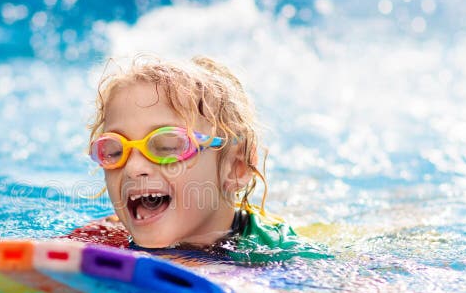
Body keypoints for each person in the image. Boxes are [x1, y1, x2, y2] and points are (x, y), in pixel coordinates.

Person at [68, 55, 327, 263]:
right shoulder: (106, 237)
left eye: (168, 145)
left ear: (236, 167)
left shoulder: (275, 251)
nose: (133, 167)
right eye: (114, 151)